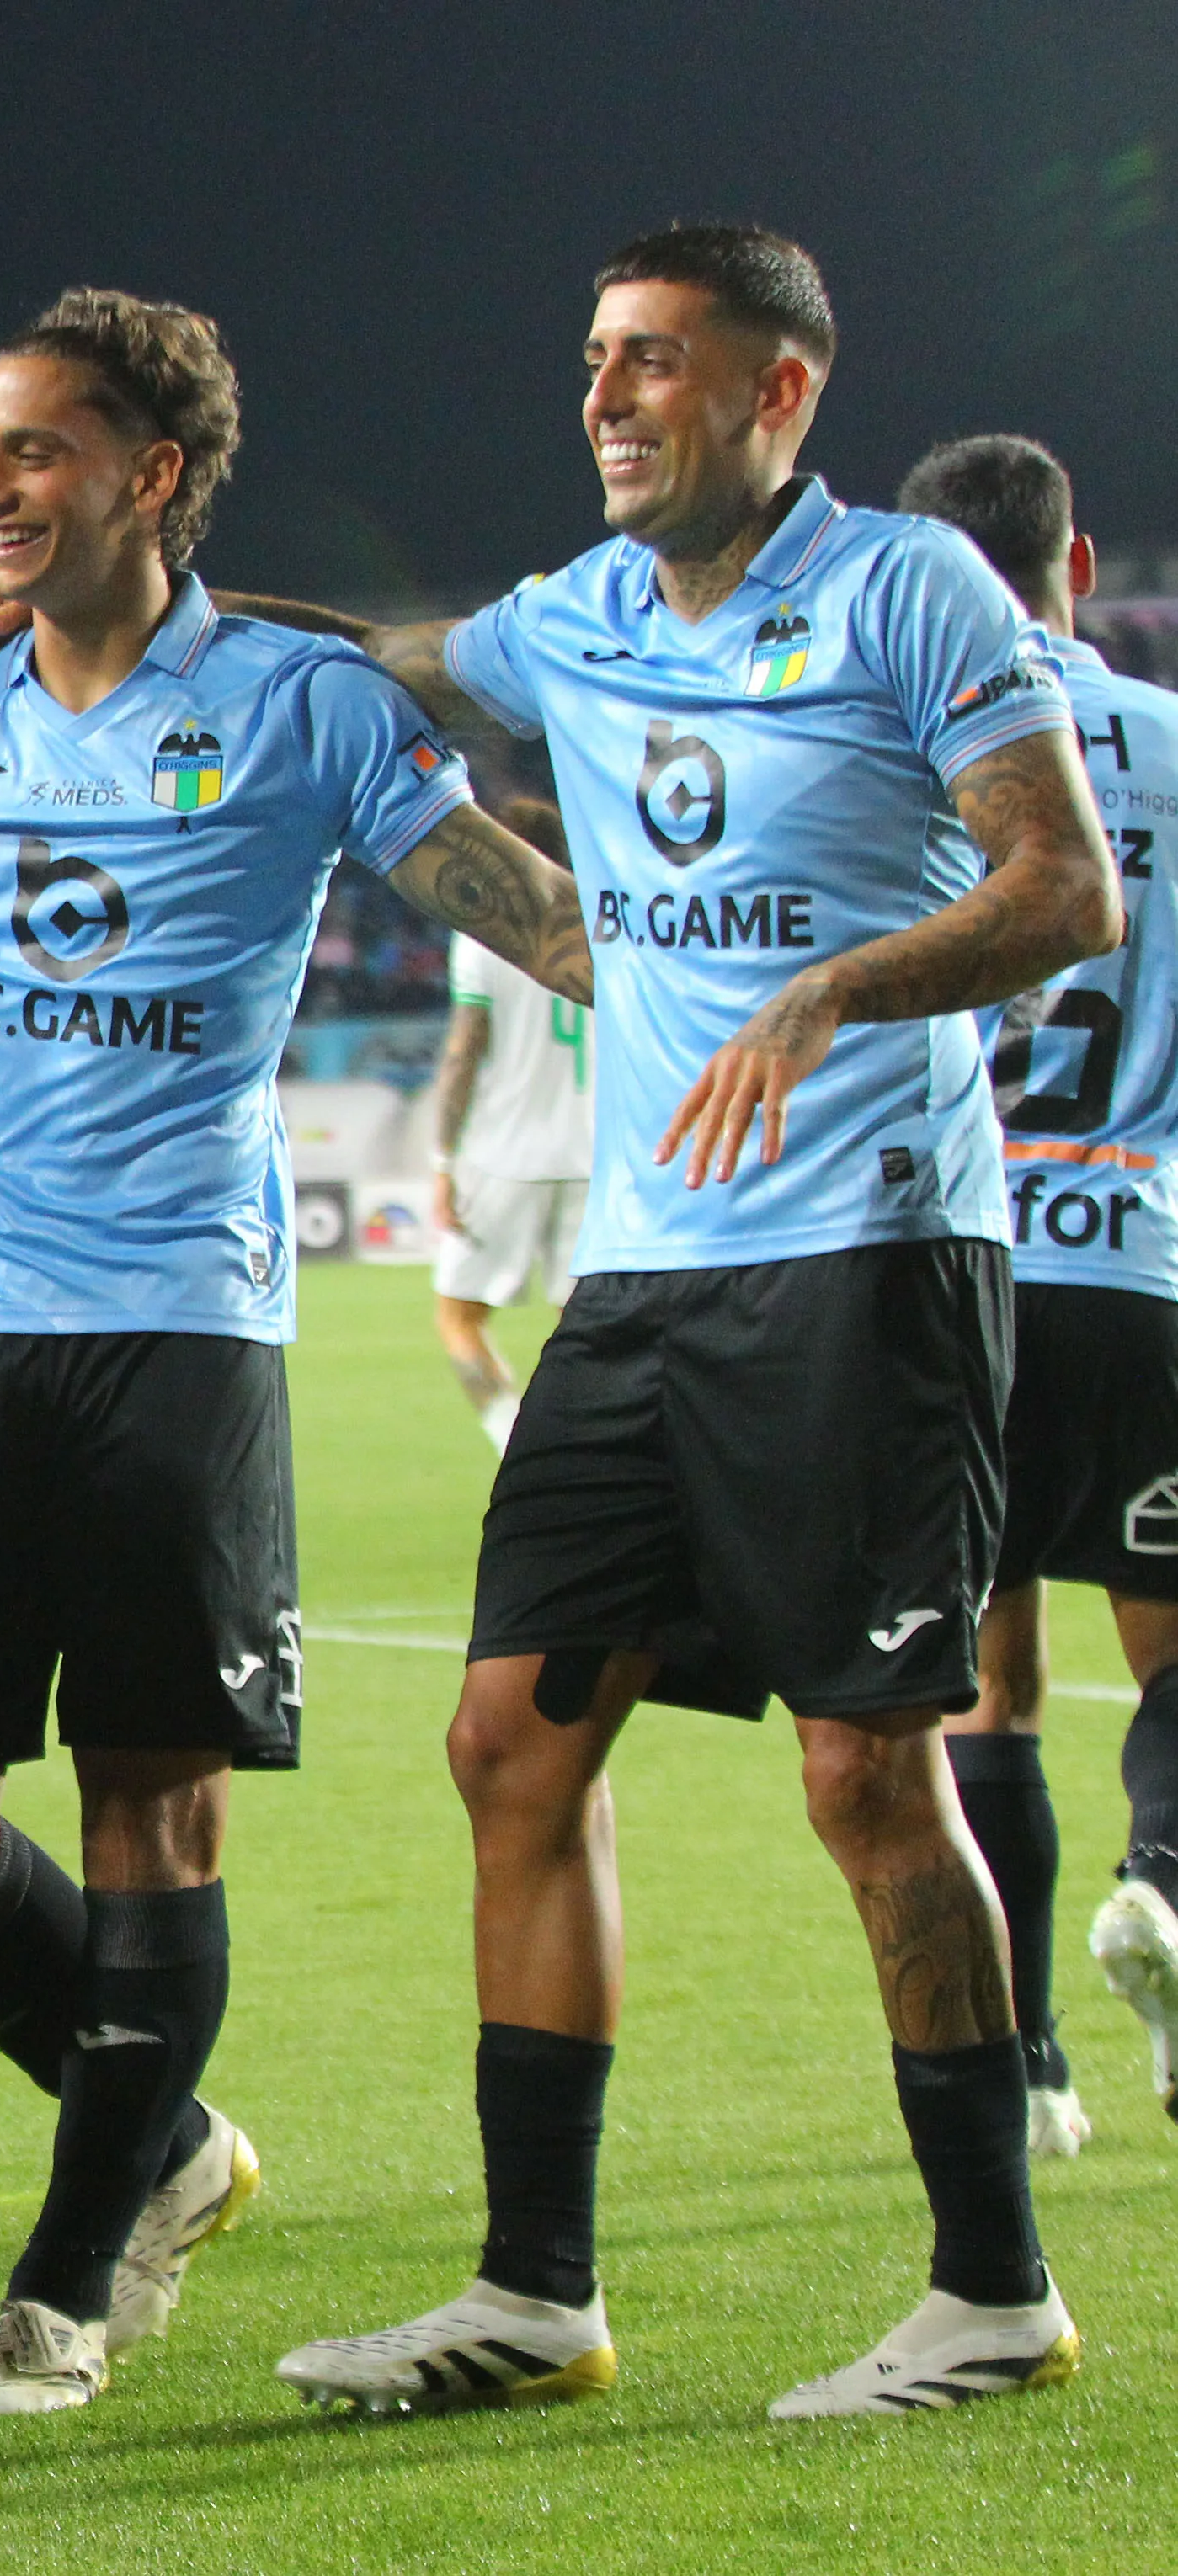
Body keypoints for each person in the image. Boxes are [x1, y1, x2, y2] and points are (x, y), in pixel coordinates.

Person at [0, 288, 585, 2418]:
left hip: (170, 1334)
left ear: (150, 477)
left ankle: (67, 2277)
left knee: (153, 1809)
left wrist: (797, 999)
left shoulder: (295, 705)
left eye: (31, 451)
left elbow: (527, 915)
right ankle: (156, 2140)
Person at [256, 226, 1114, 2420]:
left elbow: (1056, 887)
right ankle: (530, 2287)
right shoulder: (577, 618)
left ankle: (988, 2289)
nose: (604, 393)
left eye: (652, 358)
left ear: (777, 393)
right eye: (588, 359)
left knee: (861, 1767)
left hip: (867, 1255)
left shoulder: (910, 590)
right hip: (641, 1274)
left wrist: (823, 983)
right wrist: (145, 601)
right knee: (505, 1741)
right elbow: (393, 654)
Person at [898, 430, 1178, 2158]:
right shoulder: (1170, 746)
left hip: (961, 1266)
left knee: (988, 1684)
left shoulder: (913, 753)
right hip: (1148, 1253)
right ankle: (1161, 1877)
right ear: (1075, 570)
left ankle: (1038, 2064)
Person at [430, 800, 596, 1451]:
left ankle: (515, 1448)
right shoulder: (605, 929)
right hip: (594, 1159)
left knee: (460, 1320)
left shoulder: (483, 933)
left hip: (501, 1155)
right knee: (583, 1331)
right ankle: (590, 1458)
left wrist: (442, 1162)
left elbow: (462, 1054)